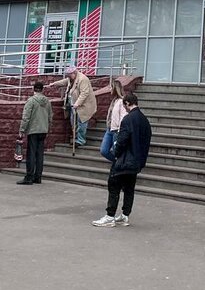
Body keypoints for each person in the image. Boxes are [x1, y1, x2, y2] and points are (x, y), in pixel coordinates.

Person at [92, 93, 152, 227]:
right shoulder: (144, 120)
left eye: (124, 105)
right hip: (136, 161)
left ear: (127, 103)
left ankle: (110, 216)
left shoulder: (127, 119)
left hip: (124, 160)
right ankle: (125, 215)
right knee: (129, 188)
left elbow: (122, 140)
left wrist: (116, 153)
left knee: (114, 186)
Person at [17, 81, 52, 185]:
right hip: (43, 130)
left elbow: (26, 117)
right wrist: (48, 128)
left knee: (31, 154)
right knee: (40, 154)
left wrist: (22, 130)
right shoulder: (47, 102)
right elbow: (50, 116)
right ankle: (38, 177)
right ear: (42, 89)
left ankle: (29, 177)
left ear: (34, 89)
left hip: (33, 130)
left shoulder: (31, 101)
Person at [64, 66, 95, 146]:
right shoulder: (72, 78)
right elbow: (65, 81)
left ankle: (81, 140)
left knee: (81, 123)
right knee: (73, 123)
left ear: (74, 73)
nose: (68, 77)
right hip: (74, 105)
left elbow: (84, 93)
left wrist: (77, 103)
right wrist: (54, 84)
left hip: (83, 106)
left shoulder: (82, 79)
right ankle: (76, 138)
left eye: (69, 75)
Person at [100, 78, 128, 163]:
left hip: (117, 130)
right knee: (104, 151)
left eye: (111, 87)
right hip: (109, 129)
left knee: (117, 152)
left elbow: (123, 117)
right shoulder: (114, 100)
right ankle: (117, 163)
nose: (110, 89)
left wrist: (120, 130)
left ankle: (119, 165)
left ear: (115, 89)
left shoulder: (122, 101)